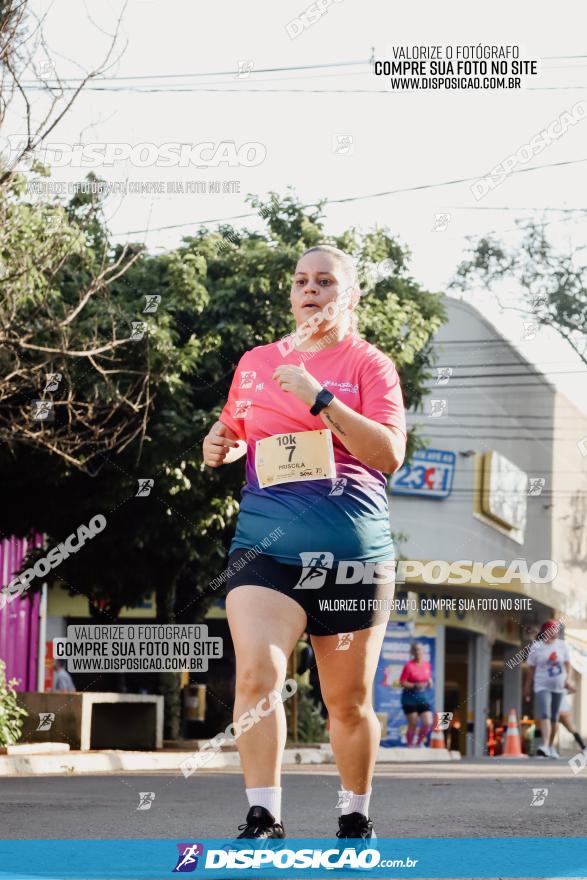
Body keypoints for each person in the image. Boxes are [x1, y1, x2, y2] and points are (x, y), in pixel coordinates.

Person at [203, 244, 406, 839]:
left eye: (325, 281)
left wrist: (321, 397)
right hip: (264, 550)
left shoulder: (370, 365)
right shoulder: (256, 362)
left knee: (346, 702)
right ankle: (263, 813)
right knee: (256, 676)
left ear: (349, 295)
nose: (310, 290)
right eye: (301, 281)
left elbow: (387, 454)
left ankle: (355, 814)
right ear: (291, 294)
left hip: (350, 558)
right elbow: (236, 429)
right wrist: (219, 444)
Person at [524, 619, 572, 759]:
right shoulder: (536, 647)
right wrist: (527, 687)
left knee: (554, 717)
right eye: (552, 630)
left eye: (557, 630)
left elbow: (568, 665)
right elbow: (531, 669)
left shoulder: (562, 645)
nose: (555, 633)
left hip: (558, 686)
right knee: (545, 714)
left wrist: (567, 680)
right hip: (541, 685)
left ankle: (551, 746)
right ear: (545, 632)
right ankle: (545, 745)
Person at [399, 642, 433, 747]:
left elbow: (428, 679)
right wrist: (414, 686)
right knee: (413, 723)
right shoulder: (408, 666)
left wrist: (430, 683)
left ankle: (418, 743)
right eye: (416, 650)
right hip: (409, 698)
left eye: (420, 650)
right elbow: (402, 682)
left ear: (423, 651)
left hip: (422, 697)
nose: (418, 652)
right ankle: (410, 745)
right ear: (412, 652)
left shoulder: (427, 665)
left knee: (428, 722)